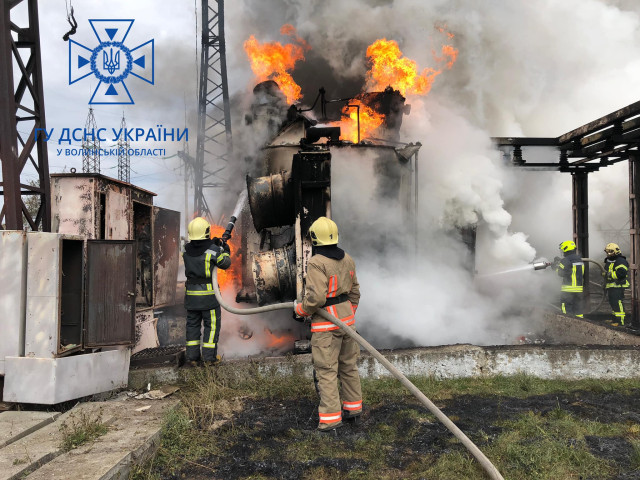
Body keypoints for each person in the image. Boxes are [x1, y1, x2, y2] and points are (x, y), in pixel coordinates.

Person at [293, 217, 362, 432]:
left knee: (327, 370)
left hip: (326, 325)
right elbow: (355, 292)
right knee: (348, 366)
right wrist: (348, 314)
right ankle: (353, 408)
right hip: (347, 322)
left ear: (314, 238)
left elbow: (316, 298)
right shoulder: (348, 259)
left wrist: (301, 310)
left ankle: (331, 419)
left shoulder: (317, 262)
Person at [183, 217, 231, 366]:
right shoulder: (213, 251)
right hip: (209, 298)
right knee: (211, 327)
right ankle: (209, 359)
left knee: (192, 326)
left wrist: (213, 243)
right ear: (206, 232)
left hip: (191, 298)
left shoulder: (185, 250)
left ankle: (192, 358)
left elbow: (199, 248)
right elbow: (225, 263)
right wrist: (225, 250)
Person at [554, 240, 584, 318]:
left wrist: (555, 268)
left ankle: (567, 324)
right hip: (578, 290)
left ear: (566, 249)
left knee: (566, 310)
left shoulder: (566, 260)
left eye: (563, 250)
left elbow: (561, 273)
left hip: (568, 290)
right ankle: (581, 324)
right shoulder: (579, 259)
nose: (562, 252)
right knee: (578, 310)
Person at [603, 243, 629, 326]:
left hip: (618, 286)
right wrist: (605, 276)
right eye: (607, 252)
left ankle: (620, 322)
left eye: (610, 252)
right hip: (611, 286)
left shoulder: (620, 261)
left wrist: (610, 275)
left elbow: (622, 273)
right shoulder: (609, 260)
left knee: (618, 303)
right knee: (613, 303)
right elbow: (605, 271)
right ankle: (615, 320)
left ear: (616, 251)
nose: (608, 254)